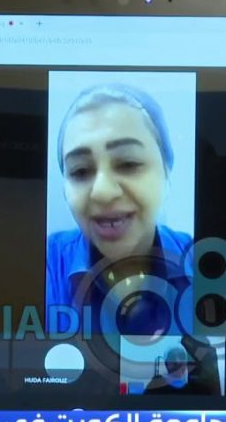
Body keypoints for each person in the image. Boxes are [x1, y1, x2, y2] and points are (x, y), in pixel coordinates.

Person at [46, 83, 193, 336]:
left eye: (128, 163)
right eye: (80, 171)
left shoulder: (201, 260)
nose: (102, 192)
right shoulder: (46, 264)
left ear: (166, 172)